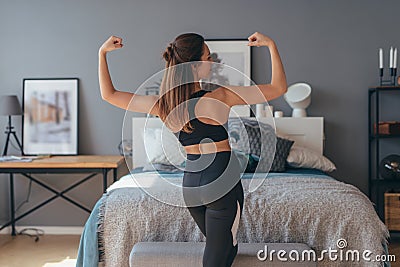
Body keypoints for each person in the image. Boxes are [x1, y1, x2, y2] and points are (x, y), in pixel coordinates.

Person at [98, 31, 287, 267]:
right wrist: (271, 44)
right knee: (217, 257)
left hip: (191, 186)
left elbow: (109, 95)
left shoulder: (163, 104)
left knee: (227, 248)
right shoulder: (222, 96)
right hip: (220, 181)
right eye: (207, 57)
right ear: (195, 66)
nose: (211, 62)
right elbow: (278, 87)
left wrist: (102, 54)